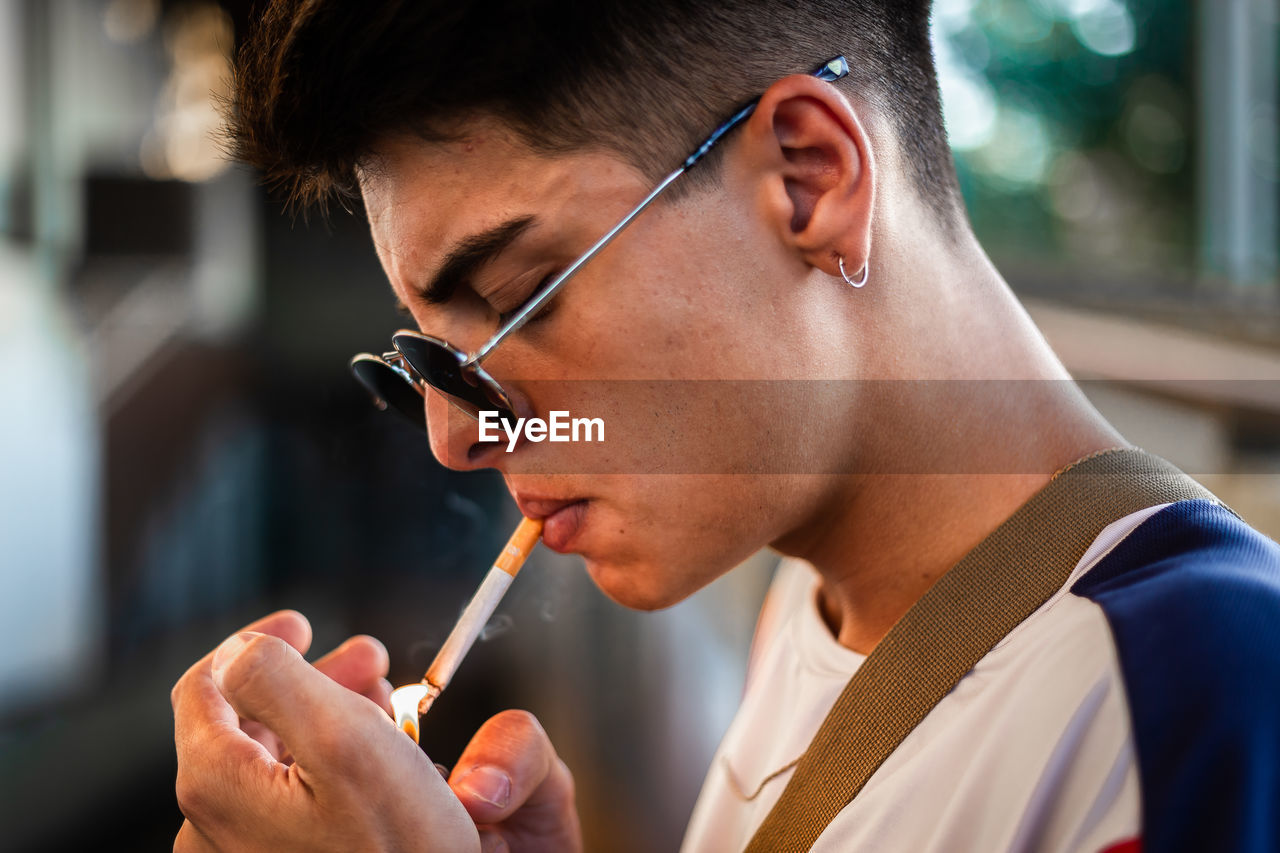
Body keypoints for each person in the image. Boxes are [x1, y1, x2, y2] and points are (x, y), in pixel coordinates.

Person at [169, 2, 1280, 851]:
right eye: (426, 358)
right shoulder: (814, 604)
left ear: (807, 178)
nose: (453, 440)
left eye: (515, 302)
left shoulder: (1190, 704)